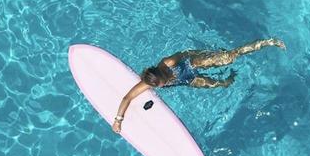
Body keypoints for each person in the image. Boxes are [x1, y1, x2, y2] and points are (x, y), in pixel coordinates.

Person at [112, 38, 286, 133]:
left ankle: (267, 42)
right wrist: (118, 121)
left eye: (160, 84)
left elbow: (187, 54)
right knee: (221, 84)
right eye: (155, 86)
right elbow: (128, 97)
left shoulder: (168, 62)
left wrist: (207, 57)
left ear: (160, 74)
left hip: (190, 65)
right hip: (187, 80)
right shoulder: (150, 82)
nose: (158, 87)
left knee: (229, 57)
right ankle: (230, 78)